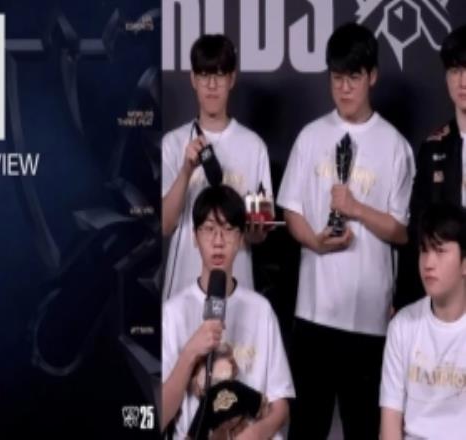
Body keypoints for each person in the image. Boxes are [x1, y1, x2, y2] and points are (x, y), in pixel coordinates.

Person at [277, 22, 415, 439]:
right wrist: (314, 242)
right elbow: (291, 210)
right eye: (337, 78)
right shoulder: (310, 137)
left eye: (353, 77)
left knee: (364, 429)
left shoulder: (395, 146)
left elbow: (401, 231)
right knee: (306, 429)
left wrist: (356, 209)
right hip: (314, 312)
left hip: (369, 318)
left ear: (372, 76)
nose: (344, 88)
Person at [162, 185, 295, 439]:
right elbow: (160, 416)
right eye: (209, 229)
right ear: (194, 237)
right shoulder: (173, 313)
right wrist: (190, 352)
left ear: (241, 237)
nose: (218, 241)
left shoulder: (261, 310)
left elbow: (281, 405)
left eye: (228, 229)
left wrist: (255, 433)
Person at [162, 34, 273, 301]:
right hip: (184, 291)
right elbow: (165, 225)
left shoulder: (254, 146)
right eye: (204, 75)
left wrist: (257, 229)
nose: (212, 85)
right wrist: (186, 171)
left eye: (220, 75)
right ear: (193, 79)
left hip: (237, 288)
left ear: (231, 79)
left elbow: (260, 231)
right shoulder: (173, 143)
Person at [380, 203, 466, 440]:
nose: (428, 263)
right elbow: (390, 422)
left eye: (440, 251)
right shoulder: (403, 326)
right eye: (424, 250)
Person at [396, 24, 466, 310]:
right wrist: (402, 298)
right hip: (444, 297)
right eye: (455, 70)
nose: (462, 81)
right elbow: (417, 229)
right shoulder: (433, 147)